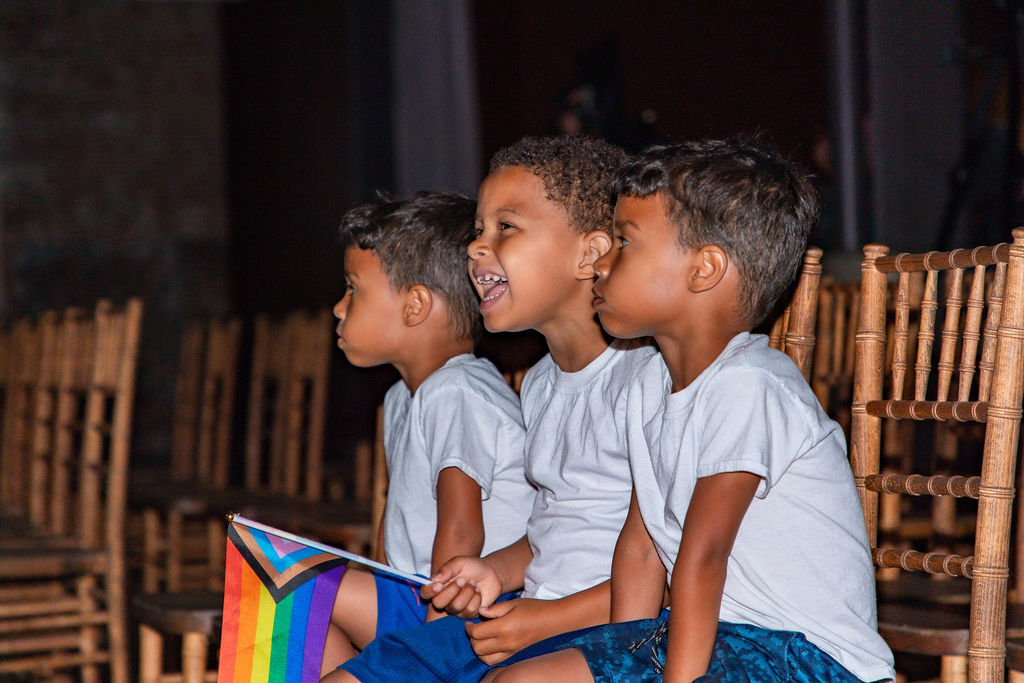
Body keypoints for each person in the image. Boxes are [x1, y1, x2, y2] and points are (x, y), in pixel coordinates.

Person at [483, 138, 896, 682]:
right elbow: (640, 545)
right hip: (722, 635)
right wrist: (616, 660)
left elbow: (703, 557)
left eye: (625, 243)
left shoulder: (750, 386)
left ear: (704, 270)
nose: (602, 262)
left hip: (804, 655)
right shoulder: (647, 385)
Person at [324, 135, 656, 683]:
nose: (477, 247)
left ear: (589, 254)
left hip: (600, 627)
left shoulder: (645, 379)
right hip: (524, 610)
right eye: (479, 229)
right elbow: (553, 528)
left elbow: (664, 561)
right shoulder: (542, 384)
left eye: (506, 227)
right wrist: (491, 571)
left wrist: (542, 618)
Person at [320, 192, 536, 674]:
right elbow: (395, 517)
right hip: (411, 590)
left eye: (354, 289)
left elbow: (460, 528)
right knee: (292, 591)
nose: (338, 307)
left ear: (416, 305)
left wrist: (426, 646)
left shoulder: (457, 391)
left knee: (296, 590)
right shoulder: (403, 396)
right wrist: (373, 579)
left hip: (463, 607)